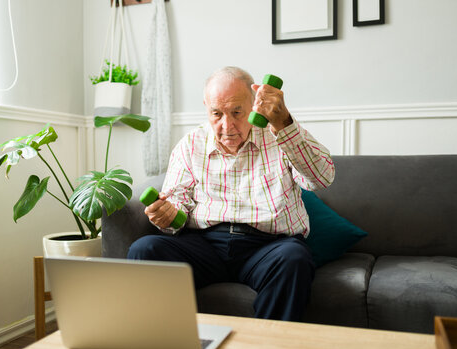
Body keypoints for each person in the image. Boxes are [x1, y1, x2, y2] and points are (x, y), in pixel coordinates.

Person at [128, 66, 335, 321]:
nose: (227, 126)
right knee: (145, 248)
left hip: (268, 246)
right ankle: (166, 345)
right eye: (216, 114)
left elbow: (322, 178)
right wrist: (169, 215)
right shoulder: (191, 144)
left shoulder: (280, 136)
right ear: (206, 107)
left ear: (254, 105)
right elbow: (178, 203)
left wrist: (284, 125)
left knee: (294, 258)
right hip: (205, 244)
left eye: (237, 112)